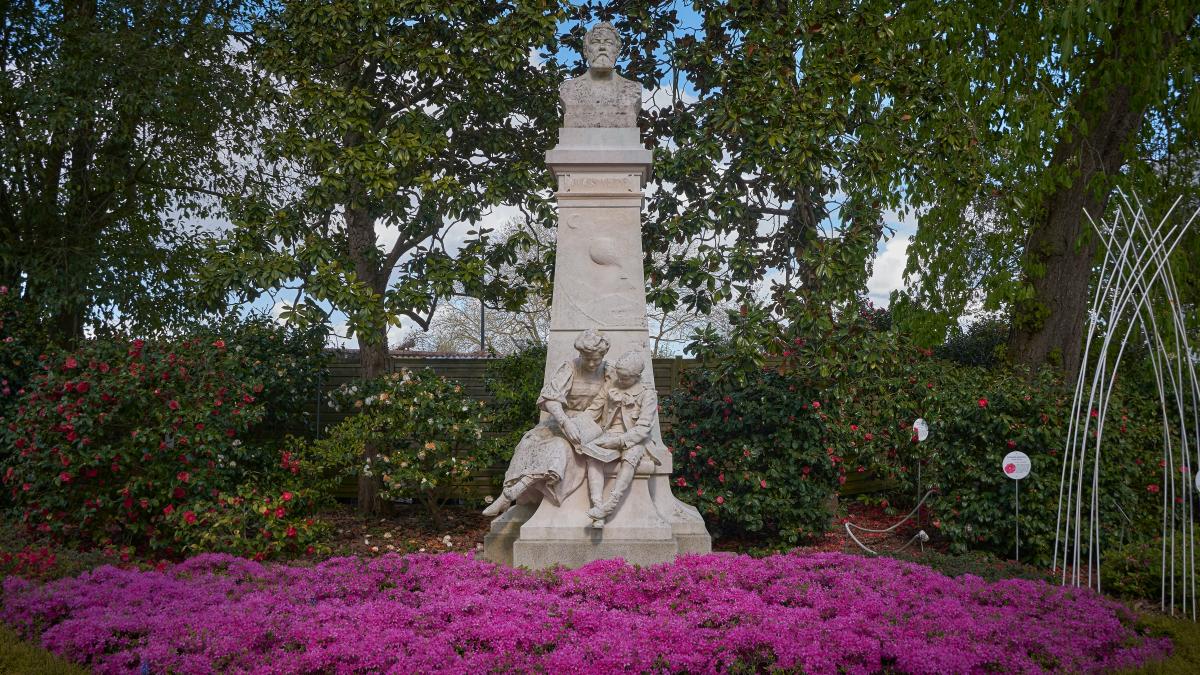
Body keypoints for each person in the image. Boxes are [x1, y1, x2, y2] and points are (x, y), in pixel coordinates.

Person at [482, 329, 611, 517]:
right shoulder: (570, 367)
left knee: (558, 447)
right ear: (580, 354)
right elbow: (550, 398)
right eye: (587, 358)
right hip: (562, 420)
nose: (591, 364)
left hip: (588, 426)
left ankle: (511, 494)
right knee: (529, 441)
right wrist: (565, 422)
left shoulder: (609, 371)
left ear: (603, 355)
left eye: (596, 359)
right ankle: (507, 495)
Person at [580, 349, 661, 528]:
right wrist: (577, 425)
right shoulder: (611, 385)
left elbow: (643, 428)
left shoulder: (647, 394)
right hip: (608, 433)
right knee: (592, 456)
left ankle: (611, 504)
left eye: (625, 378)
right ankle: (597, 506)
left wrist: (618, 442)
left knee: (630, 458)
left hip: (634, 439)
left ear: (637, 376)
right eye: (619, 375)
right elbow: (594, 409)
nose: (620, 380)